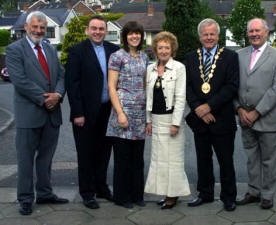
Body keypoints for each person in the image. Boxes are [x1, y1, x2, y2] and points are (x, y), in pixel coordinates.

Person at [5, 11, 68, 215]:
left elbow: (60, 74)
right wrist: (45, 99)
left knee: (46, 158)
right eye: (35, 27)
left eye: (42, 27)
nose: (39, 31)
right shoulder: (14, 50)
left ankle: (45, 193)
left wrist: (57, 95)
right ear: (26, 27)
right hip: (29, 114)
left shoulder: (49, 48)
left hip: (52, 115)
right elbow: (20, 80)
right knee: (25, 159)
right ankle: (25, 198)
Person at [234, 18, 276, 209]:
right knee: (251, 158)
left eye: (258, 31)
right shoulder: (239, 55)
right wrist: (239, 109)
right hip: (244, 118)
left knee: (269, 160)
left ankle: (267, 194)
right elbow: (232, 85)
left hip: (267, 118)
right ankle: (253, 191)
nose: (254, 34)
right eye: (251, 31)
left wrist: (257, 112)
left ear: (266, 32)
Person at [185, 18, 239, 212]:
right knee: (203, 158)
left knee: (225, 160)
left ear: (218, 35)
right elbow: (188, 86)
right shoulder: (191, 57)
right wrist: (198, 108)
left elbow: (232, 86)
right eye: (205, 34)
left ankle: (228, 196)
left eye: (212, 34)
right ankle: (205, 194)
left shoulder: (231, 57)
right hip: (200, 119)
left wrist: (208, 107)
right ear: (200, 36)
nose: (209, 37)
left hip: (222, 118)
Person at [65, 15, 119, 209]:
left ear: (106, 31)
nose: (97, 32)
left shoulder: (114, 50)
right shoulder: (77, 51)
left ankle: (101, 187)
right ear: (87, 30)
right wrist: (77, 113)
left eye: (101, 29)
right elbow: (72, 84)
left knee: (104, 152)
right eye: (94, 28)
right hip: (85, 113)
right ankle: (87, 193)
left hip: (108, 111)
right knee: (86, 153)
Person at [144, 31, 190, 209]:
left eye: (167, 47)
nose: (163, 51)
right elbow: (149, 97)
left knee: (174, 160)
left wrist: (176, 123)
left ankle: (173, 195)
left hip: (171, 120)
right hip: (156, 120)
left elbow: (180, 97)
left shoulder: (179, 68)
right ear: (155, 49)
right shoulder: (150, 69)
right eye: (160, 47)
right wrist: (148, 121)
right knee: (159, 160)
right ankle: (166, 193)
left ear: (172, 49)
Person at [106, 21, 148, 209]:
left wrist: (148, 116)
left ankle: (137, 195)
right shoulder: (117, 57)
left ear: (141, 36)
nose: (134, 36)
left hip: (139, 114)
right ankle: (122, 197)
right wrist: (120, 113)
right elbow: (111, 87)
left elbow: (146, 85)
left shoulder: (145, 57)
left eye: (137, 33)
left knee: (137, 159)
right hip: (122, 114)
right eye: (130, 33)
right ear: (125, 36)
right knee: (123, 159)